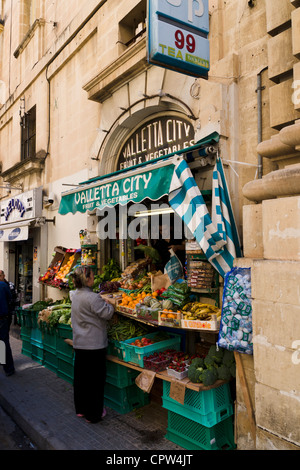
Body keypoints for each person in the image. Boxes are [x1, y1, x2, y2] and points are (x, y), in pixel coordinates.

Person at [70, 266, 115, 424]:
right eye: (92, 276)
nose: (94, 279)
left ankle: (81, 410)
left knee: (81, 379)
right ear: (86, 279)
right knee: (95, 382)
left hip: (80, 343)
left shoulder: (75, 295)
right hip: (94, 346)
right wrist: (110, 303)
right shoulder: (92, 297)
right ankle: (94, 415)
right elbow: (107, 314)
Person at [0, 270, 15, 376]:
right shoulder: (4, 286)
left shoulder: (7, 285)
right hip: (3, 317)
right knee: (3, 342)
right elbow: (11, 299)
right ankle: (8, 369)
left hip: (3, 317)